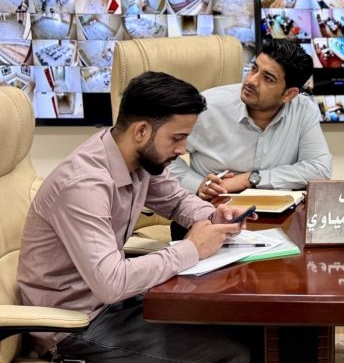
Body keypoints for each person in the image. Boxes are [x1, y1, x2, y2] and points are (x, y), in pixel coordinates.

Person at [18, 72, 259, 363]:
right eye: (177, 138)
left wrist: (212, 215)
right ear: (142, 131)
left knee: (245, 327)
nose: (183, 149)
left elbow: (175, 199)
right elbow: (111, 282)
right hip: (75, 326)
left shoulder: (135, 158)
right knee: (234, 353)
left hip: (115, 304)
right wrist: (193, 248)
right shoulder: (84, 184)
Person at [168, 39, 331, 203]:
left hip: (276, 210)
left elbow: (319, 169)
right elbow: (161, 158)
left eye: (268, 78)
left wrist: (250, 179)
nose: (251, 81)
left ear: (289, 94)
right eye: (254, 69)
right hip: (210, 208)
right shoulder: (207, 106)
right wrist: (198, 185)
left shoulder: (302, 110)